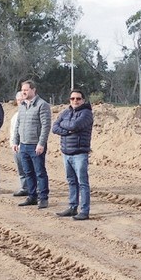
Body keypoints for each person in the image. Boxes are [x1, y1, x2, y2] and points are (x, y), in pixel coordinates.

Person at [52, 89, 94, 221]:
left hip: (80, 153)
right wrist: (67, 131)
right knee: (71, 182)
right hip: (66, 153)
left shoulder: (87, 113)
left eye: (78, 98)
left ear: (83, 100)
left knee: (82, 183)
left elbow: (75, 125)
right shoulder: (66, 112)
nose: (75, 101)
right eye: (72, 98)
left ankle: (84, 211)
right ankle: (72, 207)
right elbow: (54, 127)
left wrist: (64, 125)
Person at [13, 80, 51, 209]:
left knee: (40, 172)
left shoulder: (42, 105)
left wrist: (41, 143)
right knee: (28, 172)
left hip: (36, 145)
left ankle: (43, 198)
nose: (23, 92)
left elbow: (45, 126)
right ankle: (32, 196)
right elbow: (18, 125)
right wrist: (16, 141)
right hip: (23, 145)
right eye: (22, 90)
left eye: (26, 90)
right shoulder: (22, 105)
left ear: (33, 90)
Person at [8, 90, 29, 197]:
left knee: (31, 169)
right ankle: (25, 188)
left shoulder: (30, 114)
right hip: (16, 147)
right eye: (19, 100)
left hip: (28, 146)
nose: (20, 102)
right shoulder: (15, 116)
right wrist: (12, 144)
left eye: (22, 100)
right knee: (21, 169)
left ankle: (36, 189)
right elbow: (12, 131)